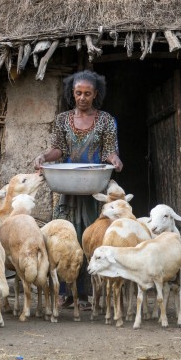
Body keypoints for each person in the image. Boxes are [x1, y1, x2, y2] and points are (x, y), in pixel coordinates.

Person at [33, 70, 123, 310]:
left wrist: (115, 159)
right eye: (78, 93)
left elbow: (109, 151)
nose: (82, 98)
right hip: (68, 188)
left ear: (95, 95)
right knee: (64, 238)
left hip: (94, 189)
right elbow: (59, 149)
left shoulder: (105, 120)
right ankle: (65, 291)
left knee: (91, 239)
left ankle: (86, 295)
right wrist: (44, 156)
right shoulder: (63, 119)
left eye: (87, 94)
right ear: (72, 93)